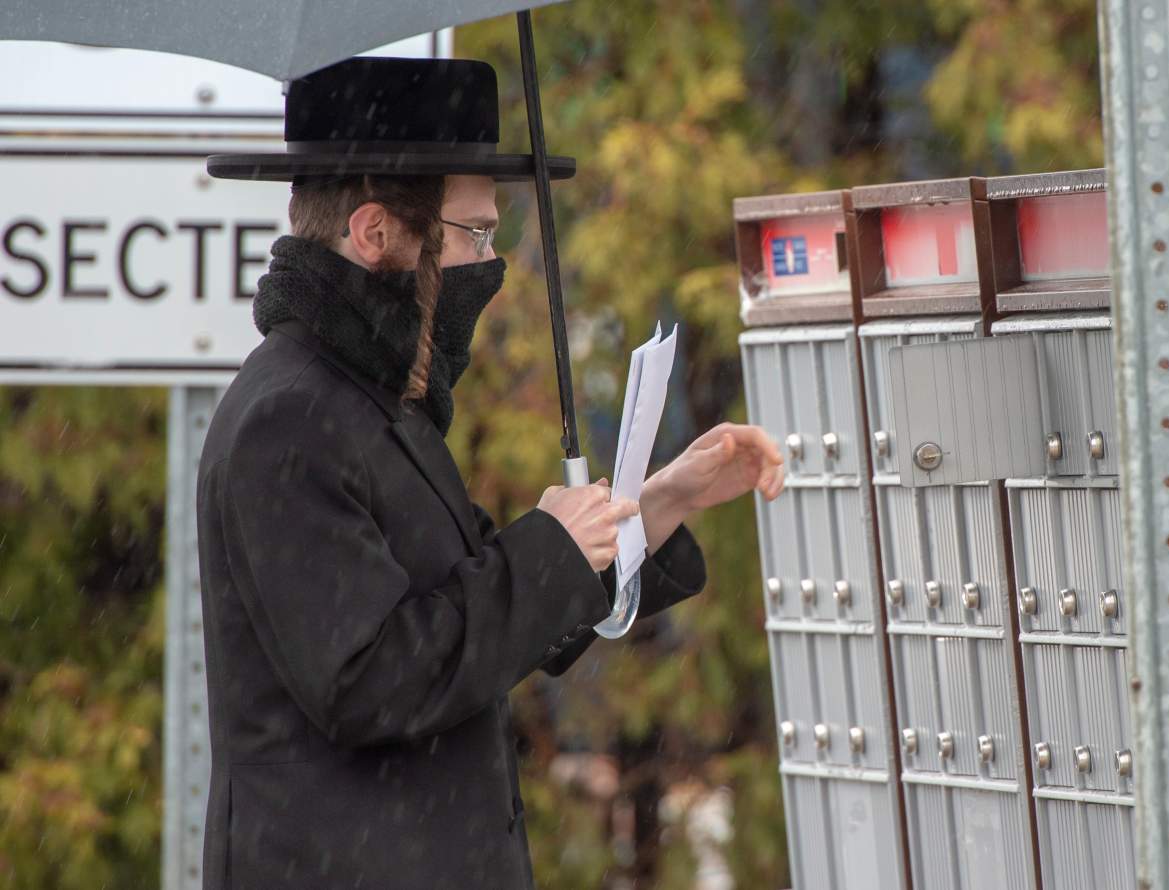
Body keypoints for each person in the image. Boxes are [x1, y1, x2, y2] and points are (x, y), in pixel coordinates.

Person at [196, 56, 784, 890]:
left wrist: (655, 505)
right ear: (376, 234)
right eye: (475, 234)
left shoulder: (375, 403)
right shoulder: (290, 417)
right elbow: (369, 681)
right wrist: (545, 548)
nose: (491, 263)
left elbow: (488, 615)